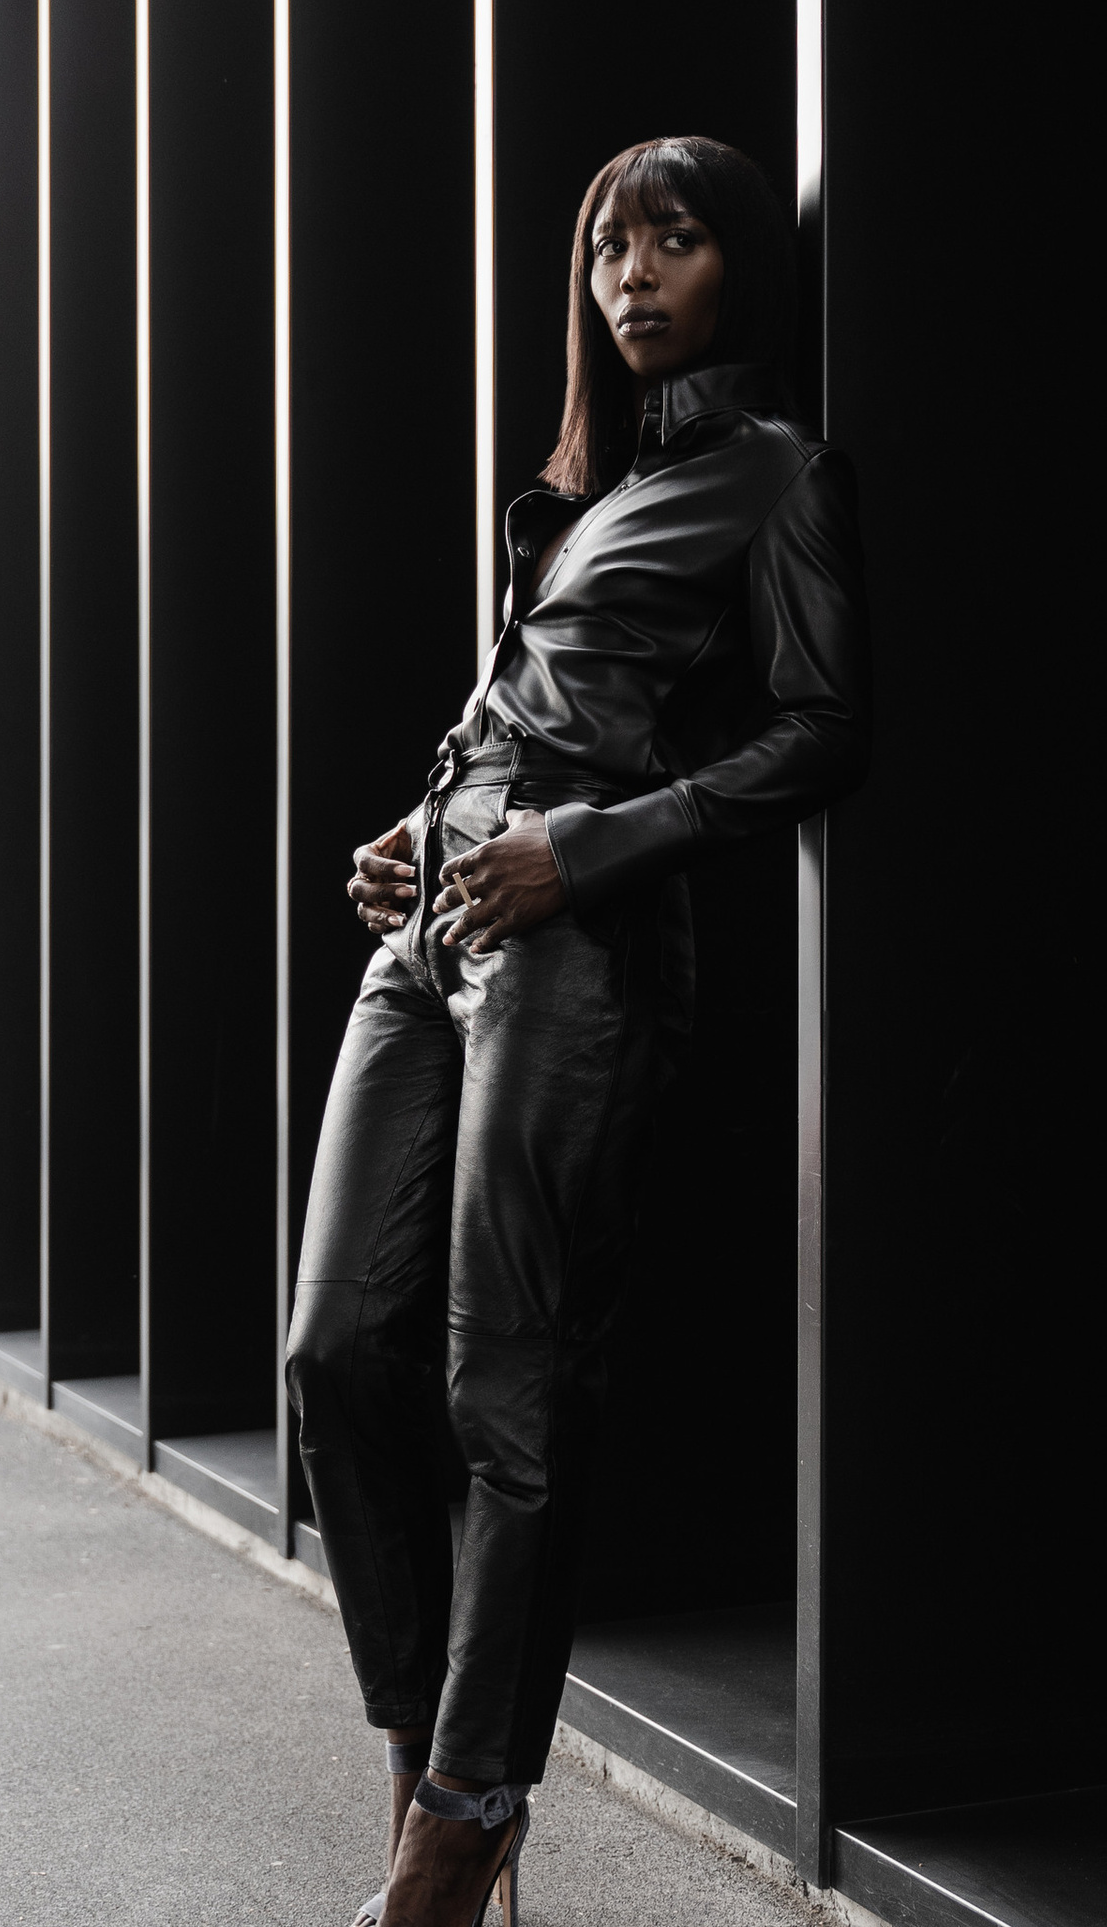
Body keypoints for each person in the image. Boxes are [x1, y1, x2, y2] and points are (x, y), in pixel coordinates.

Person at [285, 137, 871, 1927]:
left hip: (580, 941)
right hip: (446, 919)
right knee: (332, 1352)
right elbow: (517, 707)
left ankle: (456, 1836)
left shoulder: (776, 474)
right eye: (610, 246)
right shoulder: (579, 491)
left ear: (732, 274)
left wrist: (587, 848)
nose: (632, 276)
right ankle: (428, 1767)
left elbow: (821, 728)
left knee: (500, 1384)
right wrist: (424, 822)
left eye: (673, 242)